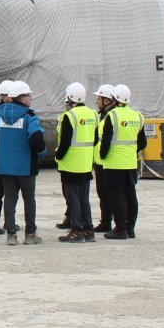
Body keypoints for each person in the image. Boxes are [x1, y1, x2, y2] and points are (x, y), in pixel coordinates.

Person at [0, 80, 45, 245]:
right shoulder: (29, 116)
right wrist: (41, 154)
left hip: (5, 166)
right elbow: (36, 138)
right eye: (29, 96)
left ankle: (11, 235)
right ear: (22, 98)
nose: (30, 98)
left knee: (10, 199)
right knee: (29, 199)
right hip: (26, 167)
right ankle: (30, 234)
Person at [55, 82, 98, 243]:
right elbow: (96, 138)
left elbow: (65, 142)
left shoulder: (69, 116)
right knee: (83, 198)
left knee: (72, 198)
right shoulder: (93, 114)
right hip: (86, 163)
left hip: (71, 164)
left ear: (69, 99)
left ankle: (76, 230)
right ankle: (88, 230)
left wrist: (58, 156)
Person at [102, 84, 145, 239]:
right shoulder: (137, 116)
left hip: (114, 163)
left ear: (114, 99)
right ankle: (130, 228)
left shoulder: (112, 116)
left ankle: (120, 229)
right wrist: (131, 151)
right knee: (130, 195)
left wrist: (102, 156)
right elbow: (143, 142)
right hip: (130, 162)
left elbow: (105, 142)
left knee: (115, 196)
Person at [91, 84, 119, 234]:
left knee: (111, 195)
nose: (97, 101)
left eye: (99, 98)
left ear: (107, 101)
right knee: (103, 194)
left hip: (108, 160)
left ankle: (115, 223)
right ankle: (105, 222)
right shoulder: (100, 115)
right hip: (99, 161)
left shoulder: (112, 116)